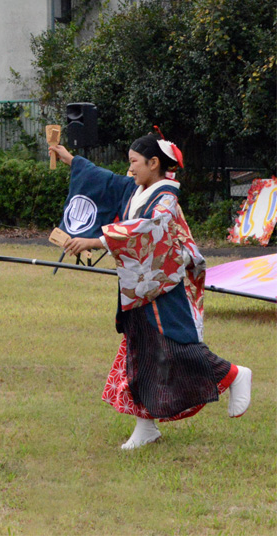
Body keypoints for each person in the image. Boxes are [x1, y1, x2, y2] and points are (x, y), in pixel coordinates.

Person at [52, 135, 253, 450]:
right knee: (142, 352)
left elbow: (146, 229)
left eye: (134, 161)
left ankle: (232, 374)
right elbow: (107, 181)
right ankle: (145, 426)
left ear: (153, 163)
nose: (129, 169)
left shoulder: (165, 199)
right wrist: (72, 161)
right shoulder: (140, 190)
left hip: (163, 285)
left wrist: (95, 241)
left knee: (173, 346)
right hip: (142, 284)